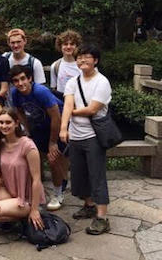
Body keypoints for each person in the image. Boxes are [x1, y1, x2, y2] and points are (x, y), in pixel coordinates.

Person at [60, 44, 112, 235]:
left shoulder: (102, 82)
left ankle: (102, 217)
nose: (81, 60)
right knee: (80, 174)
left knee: (97, 175)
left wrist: (72, 112)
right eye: (79, 57)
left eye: (86, 57)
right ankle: (88, 205)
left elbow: (92, 109)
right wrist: (64, 128)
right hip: (76, 135)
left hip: (94, 136)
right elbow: (66, 105)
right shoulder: (73, 81)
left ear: (95, 60)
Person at [10, 64, 69, 211]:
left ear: (30, 78)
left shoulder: (40, 91)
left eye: (23, 79)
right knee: (33, 157)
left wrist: (53, 142)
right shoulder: (15, 94)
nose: (20, 83)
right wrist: (28, 131)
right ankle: (36, 193)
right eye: (16, 80)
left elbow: (56, 117)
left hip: (56, 125)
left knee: (53, 158)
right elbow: (20, 112)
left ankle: (58, 194)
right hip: (38, 126)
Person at [0, 108, 45, 230]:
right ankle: (14, 215)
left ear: (16, 123)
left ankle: (25, 217)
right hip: (10, 191)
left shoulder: (28, 145)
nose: (4, 126)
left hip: (27, 197)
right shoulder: (1, 143)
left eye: (8, 122)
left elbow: (36, 179)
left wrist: (34, 209)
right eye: (1, 122)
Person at [50, 30, 82, 99]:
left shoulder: (83, 65)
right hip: (61, 101)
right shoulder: (55, 66)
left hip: (79, 100)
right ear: (60, 46)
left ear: (77, 46)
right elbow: (54, 88)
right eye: (65, 44)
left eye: (72, 44)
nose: (68, 47)